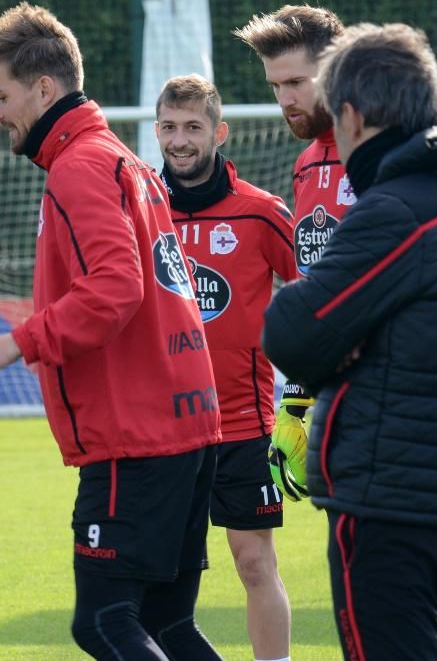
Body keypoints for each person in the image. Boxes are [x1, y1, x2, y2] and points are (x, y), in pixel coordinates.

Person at [0, 4, 223, 660]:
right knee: (168, 624)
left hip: (138, 438)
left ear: (44, 90)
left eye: (0, 95)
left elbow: (116, 287)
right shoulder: (117, 156)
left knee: (102, 621)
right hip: (183, 428)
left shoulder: (79, 166)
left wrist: (17, 340)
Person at [262, 23, 437, 661]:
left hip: (390, 502)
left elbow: (290, 331)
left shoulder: (399, 209)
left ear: (349, 115)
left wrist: (343, 340)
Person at [155, 74, 299, 661]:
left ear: (219, 131)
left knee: (253, 562)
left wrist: (309, 391)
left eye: (193, 128)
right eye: (169, 127)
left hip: (242, 423)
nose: (180, 140)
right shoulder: (139, 212)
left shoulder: (261, 215)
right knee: (158, 578)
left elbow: (320, 294)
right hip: (162, 430)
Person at [234, 5, 351, 500]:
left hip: (385, 392)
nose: (285, 99)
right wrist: (297, 397)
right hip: (331, 391)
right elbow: (312, 284)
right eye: (276, 87)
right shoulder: (307, 162)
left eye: (297, 83)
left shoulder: (379, 150)